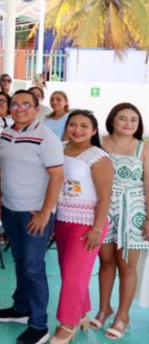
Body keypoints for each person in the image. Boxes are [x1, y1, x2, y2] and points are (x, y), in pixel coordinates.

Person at [0, 90, 64, 344]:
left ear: (36, 109)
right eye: (15, 104)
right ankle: (21, 308)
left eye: (26, 104)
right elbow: (4, 169)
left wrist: (45, 213)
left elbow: (57, 176)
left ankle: (39, 325)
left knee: (34, 268)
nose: (20, 108)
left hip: (34, 214)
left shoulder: (46, 137)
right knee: (21, 262)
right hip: (10, 210)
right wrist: (2, 197)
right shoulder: (6, 133)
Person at [50, 110, 112, 343]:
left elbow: (104, 198)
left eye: (84, 126)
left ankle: (67, 324)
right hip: (63, 218)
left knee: (73, 277)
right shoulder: (60, 149)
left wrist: (97, 229)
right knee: (70, 273)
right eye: (73, 125)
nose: (77, 130)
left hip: (87, 224)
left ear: (94, 130)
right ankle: (82, 313)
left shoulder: (98, 157)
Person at [94, 103, 149, 339]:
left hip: (133, 210)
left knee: (126, 266)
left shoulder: (143, 148)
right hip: (103, 209)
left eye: (133, 120)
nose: (128, 123)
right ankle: (104, 308)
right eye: (123, 118)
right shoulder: (99, 143)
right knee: (105, 262)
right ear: (112, 120)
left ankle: (123, 316)